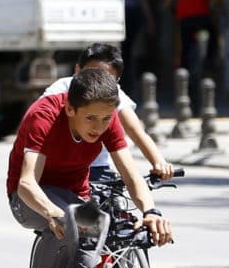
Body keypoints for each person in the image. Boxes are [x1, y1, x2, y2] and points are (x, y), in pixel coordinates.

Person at [5, 67, 173, 268]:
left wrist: (151, 211)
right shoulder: (44, 116)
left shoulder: (108, 122)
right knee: (66, 224)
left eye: (106, 118)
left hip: (74, 197)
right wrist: (52, 214)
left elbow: (131, 174)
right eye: (91, 118)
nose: (99, 126)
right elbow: (26, 183)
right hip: (28, 199)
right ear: (70, 109)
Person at [41, 42, 175, 183]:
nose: (97, 83)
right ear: (77, 70)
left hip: (98, 169)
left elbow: (135, 130)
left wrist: (158, 161)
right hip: (60, 168)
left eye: (106, 79)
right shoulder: (59, 90)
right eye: (91, 74)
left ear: (116, 81)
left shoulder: (113, 94)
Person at [164, 0, 222, 79]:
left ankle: (183, 72)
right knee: (213, 34)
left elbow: (168, 3)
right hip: (202, 20)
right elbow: (219, 5)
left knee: (185, 45)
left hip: (185, 20)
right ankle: (209, 61)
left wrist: (175, 12)